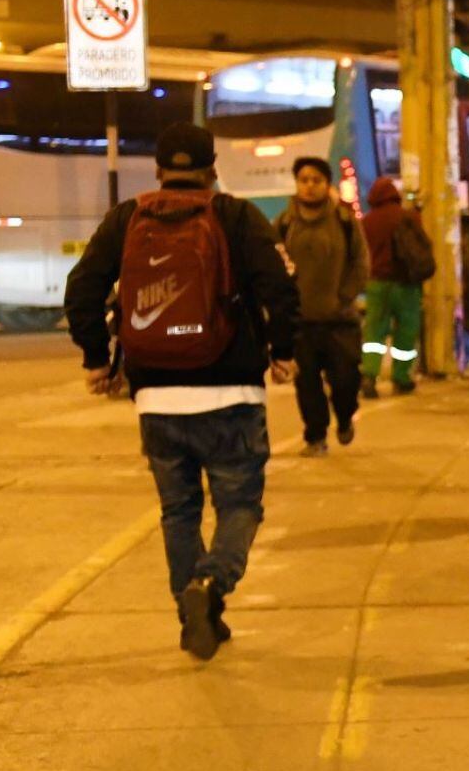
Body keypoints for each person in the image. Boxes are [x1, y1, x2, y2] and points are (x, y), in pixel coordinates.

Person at [63, 123, 299, 662]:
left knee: (179, 511)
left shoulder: (127, 219)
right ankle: (211, 585)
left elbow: (82, 290)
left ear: (159, 170)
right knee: (240, 502)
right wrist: (283, 351)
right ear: (212, 168)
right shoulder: (236, 216)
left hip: (157, 396)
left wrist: (98, 358)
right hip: (233, 391)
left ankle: (194, 614)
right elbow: (279, 287)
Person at [276, 157, 368, 456]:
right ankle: (315, 437)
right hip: (301, 322)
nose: (310, 186)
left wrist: (345, 295)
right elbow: (273, 264)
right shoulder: (284, 223)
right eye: (304, 180)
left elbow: (360, 261)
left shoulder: (344, 220)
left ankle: (344, 417)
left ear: (326, 184)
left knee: (345, 381)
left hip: (339, 320)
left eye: (316, 180)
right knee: (308, 386)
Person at [359, 176, 433, 397]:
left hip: (377, 284)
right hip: (406, 284)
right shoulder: (409, 217)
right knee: (406, 333)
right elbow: (423, 245)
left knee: (374, 333)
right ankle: (401, 377)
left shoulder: (367, 221)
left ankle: (370, 376)